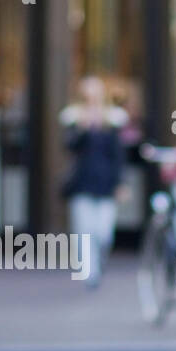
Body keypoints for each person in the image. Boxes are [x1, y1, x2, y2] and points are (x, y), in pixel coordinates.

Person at [60, 77, 127, 289]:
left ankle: (98, 260)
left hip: (105, 183)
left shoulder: (113, 120)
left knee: (103, 232)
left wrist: (120, 183)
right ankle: (90, 271)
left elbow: (117, 155)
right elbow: (69, 146)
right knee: (84, 230)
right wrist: (82, 127)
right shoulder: (73, 118)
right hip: (82, 182)